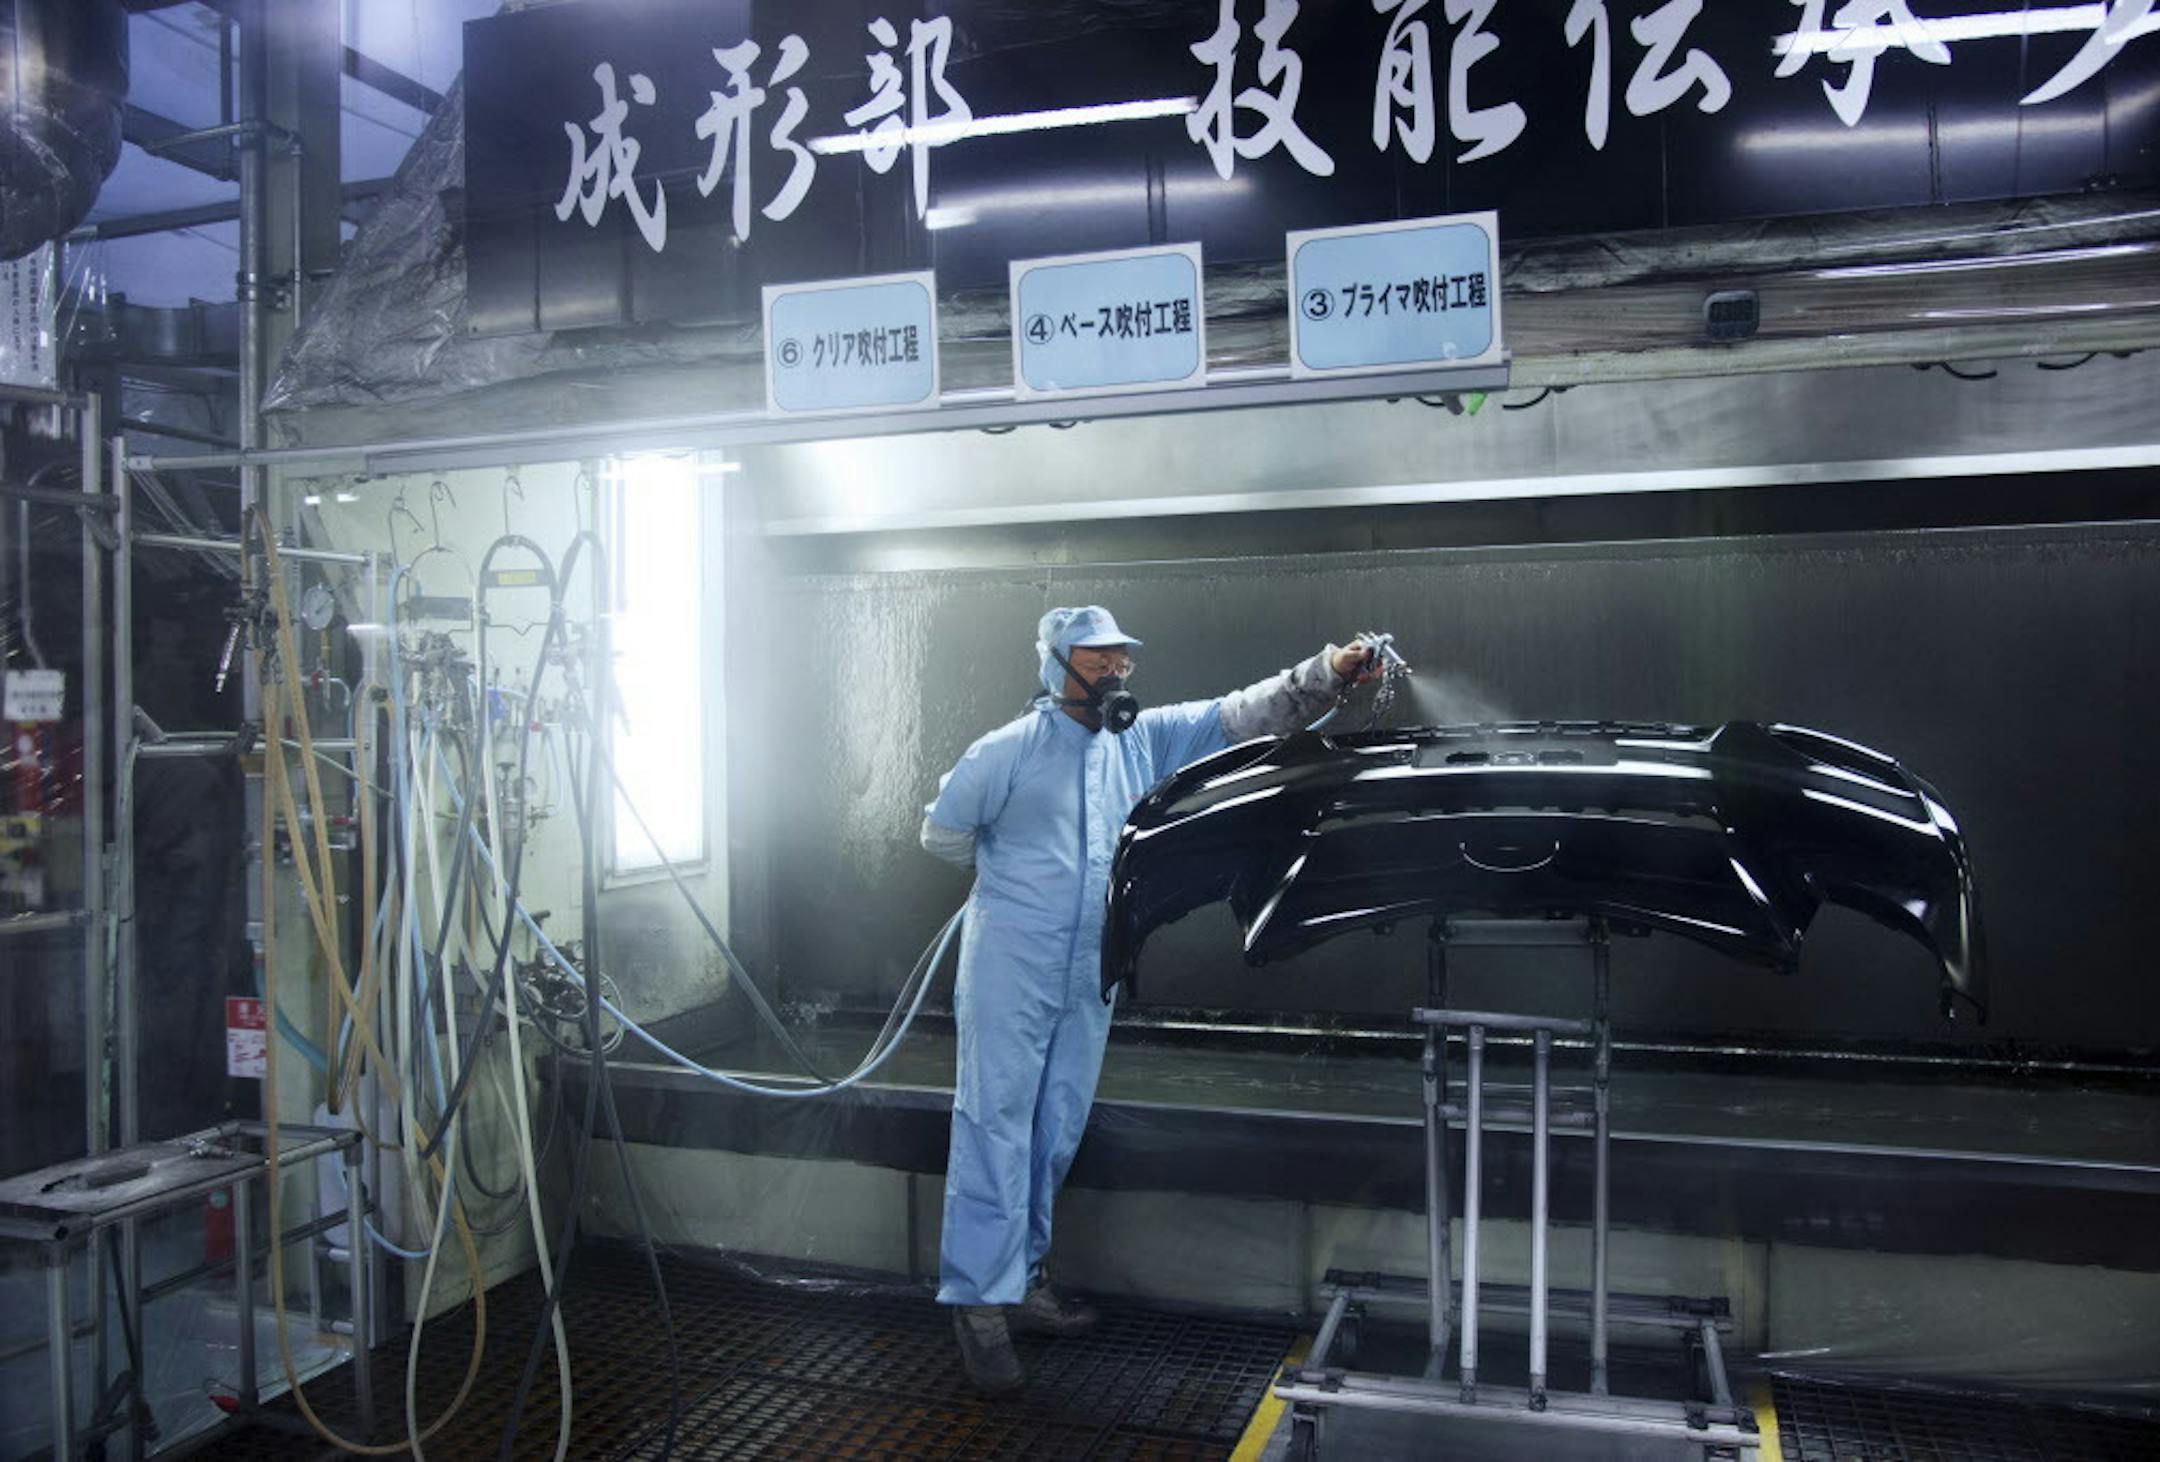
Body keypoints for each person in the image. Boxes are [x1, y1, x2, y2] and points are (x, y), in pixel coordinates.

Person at [920, 605, 1386, 1392]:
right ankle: (977, 1305)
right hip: (1011, 961)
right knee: (994, 1120)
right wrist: (1012, 888)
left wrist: (1328, 672)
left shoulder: (1143, 740)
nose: (1114, 673)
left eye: (1121, 661)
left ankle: (1023, 1281)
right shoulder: (1005, 752)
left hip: (1087, 963)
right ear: (1057, 663)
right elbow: (943, 833)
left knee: (1054, 1125)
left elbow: (1243, 715)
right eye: (1097, 660)